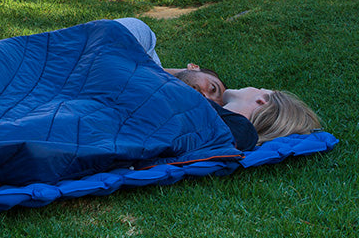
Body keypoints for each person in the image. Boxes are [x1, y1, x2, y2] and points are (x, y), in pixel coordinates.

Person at [115, 18, 321, 148]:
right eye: (212, 88)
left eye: (214, 104)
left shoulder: (202, 123)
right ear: (194, 66)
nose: (206, 97)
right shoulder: (143, 39)